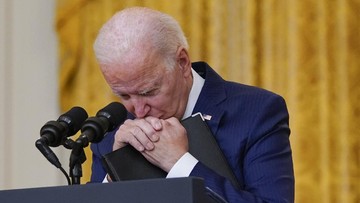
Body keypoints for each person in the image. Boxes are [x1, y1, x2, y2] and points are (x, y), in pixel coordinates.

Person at [90, 7, 294, 203]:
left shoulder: (257, 112)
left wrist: (180, 164)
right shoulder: (110, 132)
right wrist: (117, 171)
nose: (139, 111)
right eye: (123, 95)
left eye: (148, 92)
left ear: (182, 62)